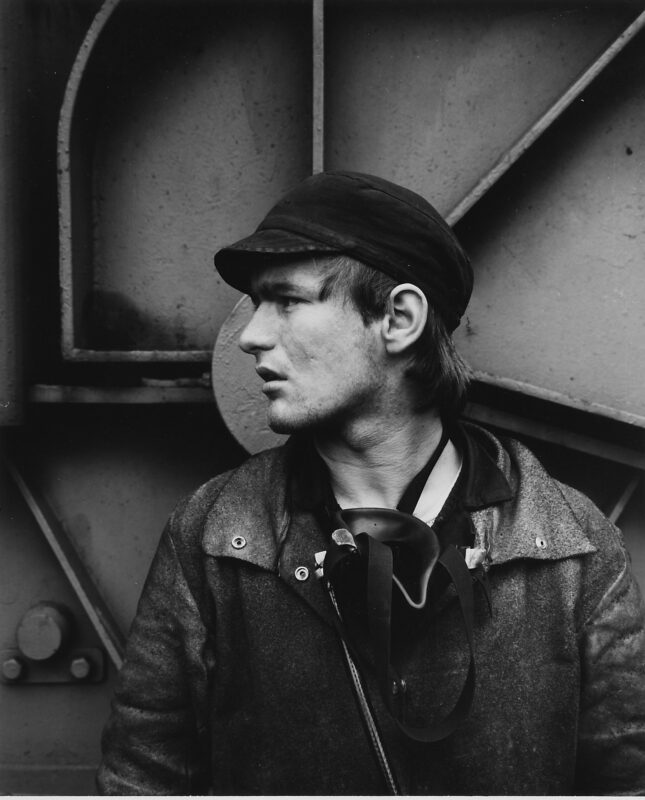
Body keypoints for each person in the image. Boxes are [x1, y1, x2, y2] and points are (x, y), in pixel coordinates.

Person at [97, 171, 645, 795]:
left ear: (399, 318)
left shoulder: (575, 548)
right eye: (257, 305)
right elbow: (144, 780)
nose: (249, 336)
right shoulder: (213, 534)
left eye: (288, 300)